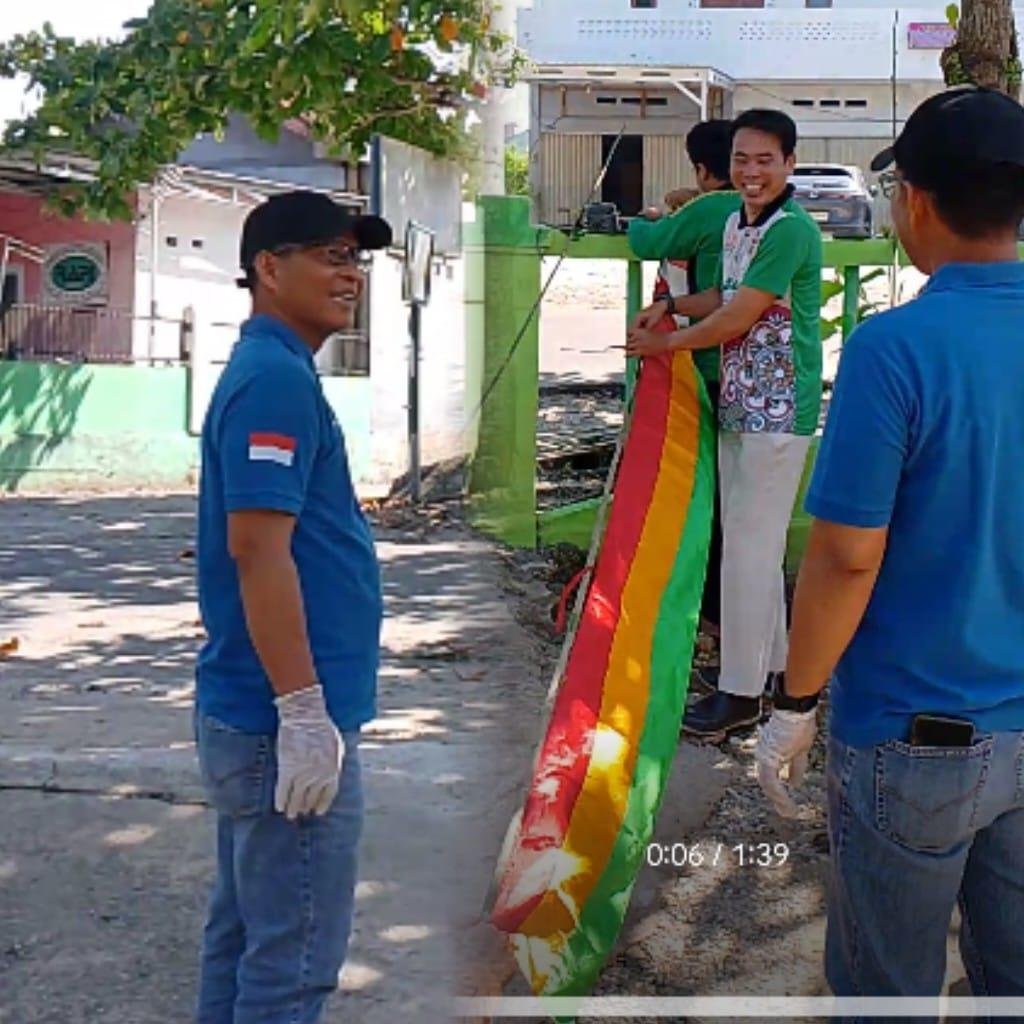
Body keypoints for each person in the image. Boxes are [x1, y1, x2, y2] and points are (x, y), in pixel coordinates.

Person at [756, 86, 1024, 1009]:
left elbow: (845, 557)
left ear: (913, 200)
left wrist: (795, 701)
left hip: (916, 740)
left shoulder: (894, 348)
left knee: (886, 993)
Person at [193, 189, 391, 1024]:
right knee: (295, 960)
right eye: (329, 255)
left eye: (357, 258)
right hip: (281, 721)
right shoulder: (274, 381)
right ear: (267, 269)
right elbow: (257, 549)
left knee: (249, 938)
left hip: (267, 711)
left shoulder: (279, 373)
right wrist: (304, 712)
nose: (350, 274)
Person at [627, 109, 823, 740]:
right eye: (741, 159)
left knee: (748, 550)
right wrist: (671, 306)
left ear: (790, 164)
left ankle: (740, 696)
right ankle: (770, 676)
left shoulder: (790, 230)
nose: (751, 171)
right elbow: (720, 297)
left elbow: (739, 316)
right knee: (752, 548)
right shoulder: (741, 222)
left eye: (765, 159)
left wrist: (665, 345)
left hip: (779, 407)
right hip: (743, 403)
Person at [627, 119, 739, 662]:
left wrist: (649, 215)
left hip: (708, 366)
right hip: (751, 374)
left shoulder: (707, 210)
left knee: (705, 498)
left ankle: (709, 613)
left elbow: (649, 241)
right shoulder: (757, 213)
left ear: (701, 167)